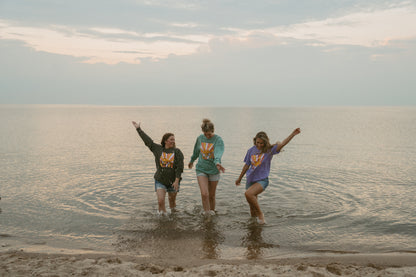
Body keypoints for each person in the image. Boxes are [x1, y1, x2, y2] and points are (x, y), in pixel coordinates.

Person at [235, 128, 301, 224]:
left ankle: (261, 215)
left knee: (248, 194)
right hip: (250, 179)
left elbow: (282, 144)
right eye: (257, 142)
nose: (259, 145)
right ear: (255, 141)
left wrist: (293, 134)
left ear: (265, 142)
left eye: (261, 143)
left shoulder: (269, 150)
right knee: (252, 208)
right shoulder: (250, 151)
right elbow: (246, 165)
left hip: (262, 180)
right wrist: (239, 178)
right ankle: (253, 226)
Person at [132, 121, 184, 215]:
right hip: (160, 180)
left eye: (174, 139)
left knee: (172, 202)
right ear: (165, 141)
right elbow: (148, 141)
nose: (173, 141)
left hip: (173, 181)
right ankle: (162, 220)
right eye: (171, 139)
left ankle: (173, 218)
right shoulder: (158, 149)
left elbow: (180, 167)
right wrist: (138, 129)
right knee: (160, 201)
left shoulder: (177, 152)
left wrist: (176, 181)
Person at [188, 119, 225, 215]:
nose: (207, 136)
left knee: (211, 195)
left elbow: (218, 152)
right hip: (201, 168)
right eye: (205, 134)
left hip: (214, 169)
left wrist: (217, 163)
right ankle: (207, 215)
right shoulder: (200, 138)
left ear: (213, 131)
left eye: (209, 134)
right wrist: (192, 160)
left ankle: (212, 214)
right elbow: (196, 151)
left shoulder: (218, 140)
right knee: (205, 194)